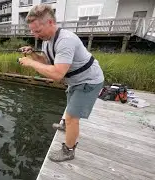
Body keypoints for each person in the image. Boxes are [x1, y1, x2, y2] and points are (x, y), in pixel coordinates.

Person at [18, 4, 104, 162]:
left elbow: (57, 74)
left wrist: (30, 63)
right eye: (32, 31)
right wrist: (33, 55)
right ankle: (66, 126)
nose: (35, 35)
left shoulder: (65, 40)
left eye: (37, 30)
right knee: (70, 107)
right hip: (75, 81)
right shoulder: (47, 40)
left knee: (72, 117)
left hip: (89, 81)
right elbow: (46, 62)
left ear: (50, 23)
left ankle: (68, 151)